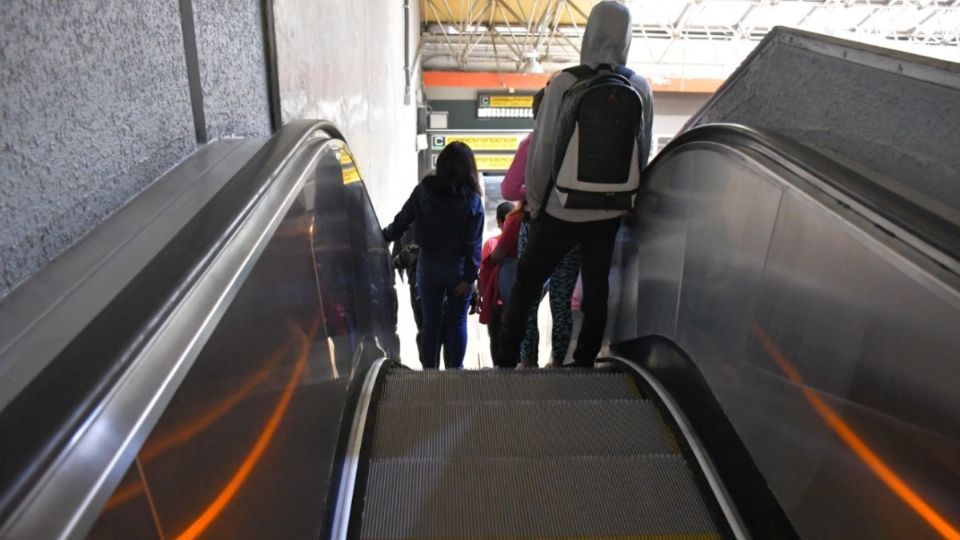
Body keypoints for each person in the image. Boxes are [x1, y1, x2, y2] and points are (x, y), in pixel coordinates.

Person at [495, 1, 654, 368]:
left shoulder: (566, 82)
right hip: (610, 208)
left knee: (527, 286)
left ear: (590, 33)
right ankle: (583, 362)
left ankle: (505, 361)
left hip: (560, 208)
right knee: (597, 286)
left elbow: (545, 146)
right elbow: (643, 149)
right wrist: (626, 199)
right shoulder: (639, 86)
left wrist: (536, 202)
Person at [383, 142, 484, 369]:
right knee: (458, 323)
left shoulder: (423, 191)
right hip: (457, 269)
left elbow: (402, 221)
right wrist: (469, 278)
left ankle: (429, 370)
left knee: (431, 323)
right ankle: (454, 371)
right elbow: (473, 244)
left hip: (428, 266)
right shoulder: (472, 201)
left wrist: (385, 236)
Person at [500, 88, 581, 368]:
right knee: (561, 302)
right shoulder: (578, 142)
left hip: (536, 227)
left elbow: (509, 189)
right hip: (573, 228)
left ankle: (527, 361)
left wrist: (532, 189)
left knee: (529, 299)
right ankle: (558, 362)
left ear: (538, 114)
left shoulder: (532, 143)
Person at [477, 201, 515, 360]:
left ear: (498, 221)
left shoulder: (491, 244)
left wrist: (481, 297)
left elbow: (484, 273)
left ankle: (499, 373)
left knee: (496, 340)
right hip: (515, 301)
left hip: (495, 303)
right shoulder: (521, 241)